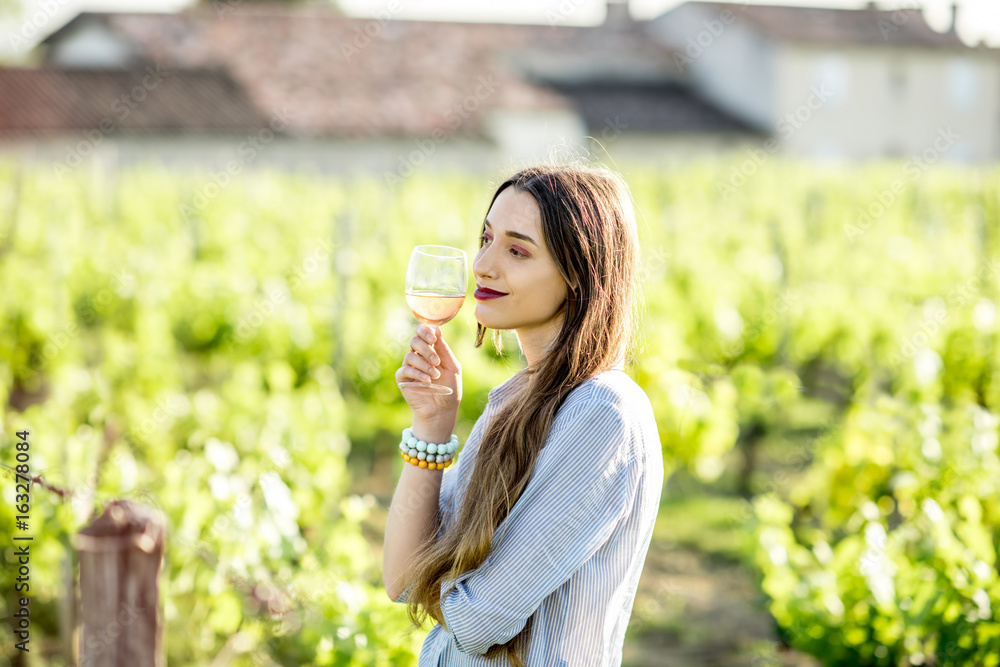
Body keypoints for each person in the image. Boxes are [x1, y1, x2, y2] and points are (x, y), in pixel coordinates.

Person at [383, 163, 663, 667]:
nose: (484, 266)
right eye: (485, 239)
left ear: (579, 273)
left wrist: (440, 570)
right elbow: (400, 578)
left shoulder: (602, 414)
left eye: (517, 250)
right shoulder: (514, 403)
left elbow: (477, 621)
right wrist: (431, 426)